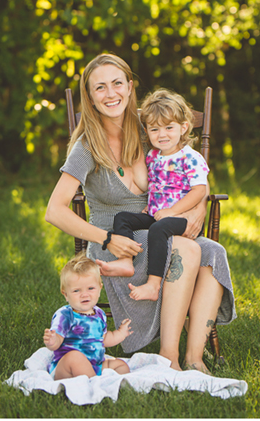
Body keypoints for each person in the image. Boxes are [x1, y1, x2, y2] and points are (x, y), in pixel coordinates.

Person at [44, 54, 235, 373]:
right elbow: (54, 211)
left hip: (158, 228)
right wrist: (108, 239)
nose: (110, 93)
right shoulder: (88, 146)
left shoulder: (149, 130)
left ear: (130, 87)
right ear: (90, 97)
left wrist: (198, 207)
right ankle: (168, 357)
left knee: (213, 251)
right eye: (100, 88)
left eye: (117, 83)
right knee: (188, 249)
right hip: (117, 243)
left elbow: (189, 170)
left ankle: (194, 356)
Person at [95, 89, 209, 302]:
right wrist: (152, 205)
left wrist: (172, 211)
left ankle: (153, 284)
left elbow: (199, 190)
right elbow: (157, 185)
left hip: (181, 219)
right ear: (147, 131)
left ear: (183, 127)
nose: (162, 134)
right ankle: (126, 260)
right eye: (154, 129)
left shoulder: (190, 157)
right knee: (123, 218)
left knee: (158, 229)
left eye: (169, 127)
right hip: (158, 214)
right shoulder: (152, 155)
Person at [42, 256, 132, 379]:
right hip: (67, 368)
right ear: (66, 294)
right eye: (76, 291)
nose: (85, 294)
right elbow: (57, 340)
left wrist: (121, 333)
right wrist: (52, 341)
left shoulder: (99, 314)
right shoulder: (65, 315)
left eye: (90, 288)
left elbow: (104, 339)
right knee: (75, 357)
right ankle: (93, 384)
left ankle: (108, 382)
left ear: (100, 288)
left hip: (95, 365)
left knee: (120, 365)